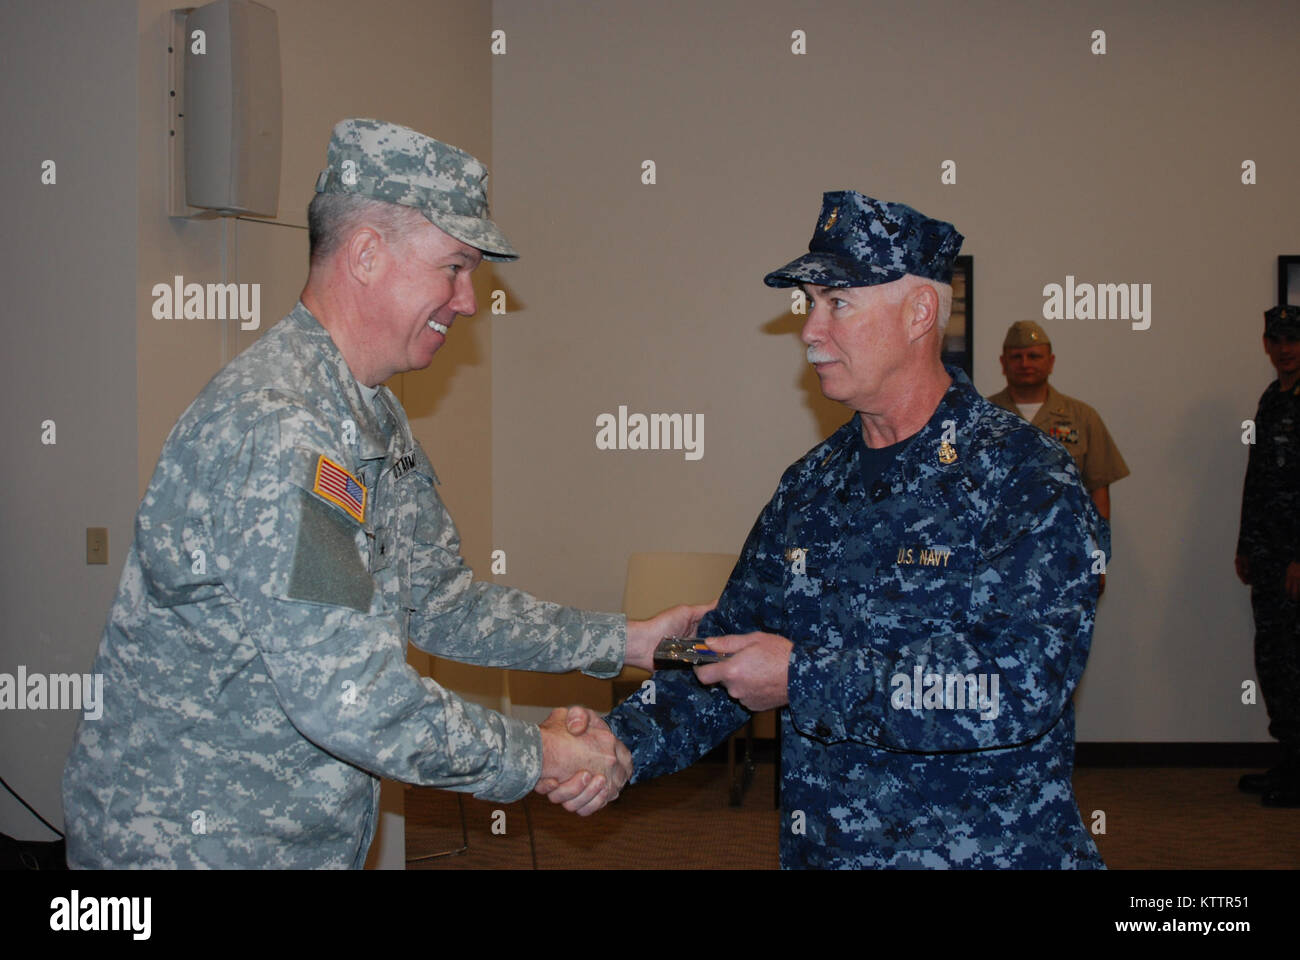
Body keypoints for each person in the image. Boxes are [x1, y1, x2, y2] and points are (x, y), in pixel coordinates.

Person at [61, 119, 703, 868]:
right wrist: (542, 756)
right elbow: (350, 697)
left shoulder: (369, 413)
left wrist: (626, 642)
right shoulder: (282, 430)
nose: (467, 301)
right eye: (454, 268)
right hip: (188, 848)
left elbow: (437, 600)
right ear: (366, 254)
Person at [545, 191, 1107, 868]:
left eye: (837, 303)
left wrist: (806, 677)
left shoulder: (1023, 475)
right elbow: (731, 649)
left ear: (919, 313)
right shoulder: (811, 484)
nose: (811, 330)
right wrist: (619, 744)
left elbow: (1017, 688)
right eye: (809, 304)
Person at [1235, 305, 1300, 808]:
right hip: (1269, 557)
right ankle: (1289, 761)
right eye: (1277, 339)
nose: (1285, 348)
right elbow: (1258, 480)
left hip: (1296, 560)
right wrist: (1246, 545)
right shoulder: (1272, 399)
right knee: (1276, 662)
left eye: (1294, 339)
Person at [986, 321, 1129, 524]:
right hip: (1001, 546)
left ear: (1051, 362)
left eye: (1034, 356)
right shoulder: (983, 416)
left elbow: (1099, 489)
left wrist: (1098, 545)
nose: (1025, 364)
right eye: (1016, 357)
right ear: (1003, 363)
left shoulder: (1082, 418)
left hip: (1066, 545)